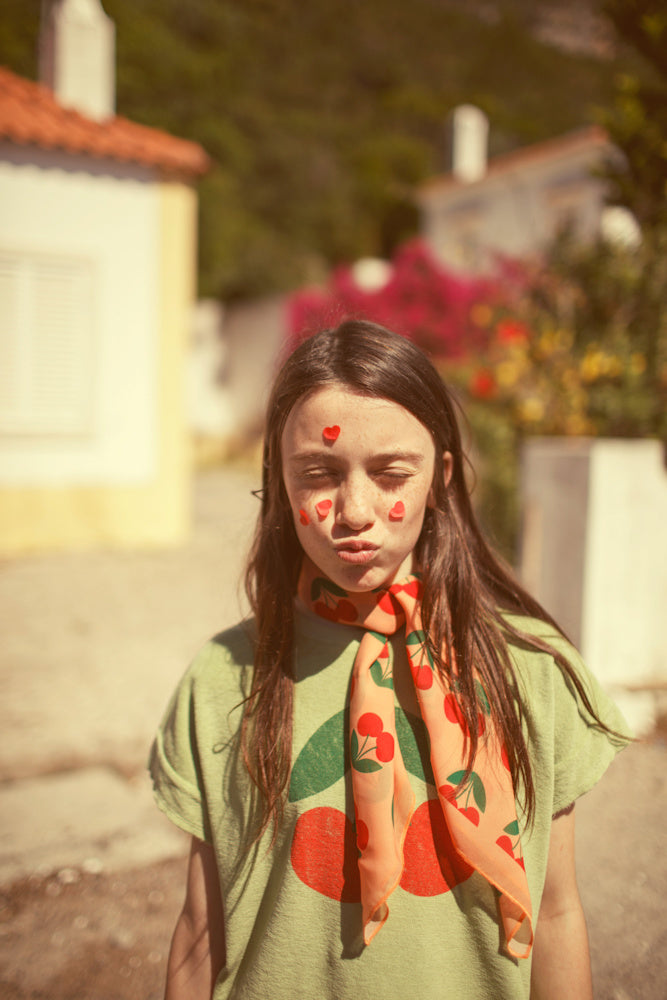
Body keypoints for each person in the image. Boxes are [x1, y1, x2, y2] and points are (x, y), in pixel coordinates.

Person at [150, 319, 631, 1000]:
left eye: (390, 474)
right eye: (317, 473)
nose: (354, 511)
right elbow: (202, 932)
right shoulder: (221, 679)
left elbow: (554, 913)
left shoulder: (534, 670)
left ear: (439, 477)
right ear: (279, 487)